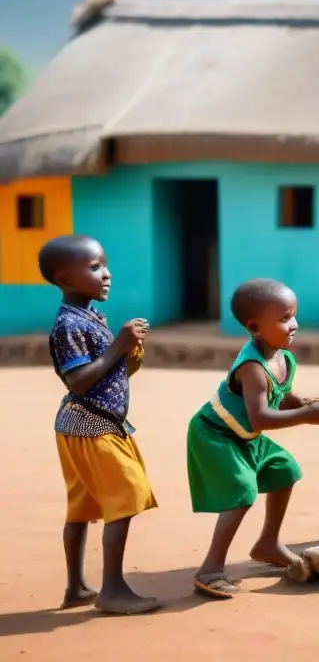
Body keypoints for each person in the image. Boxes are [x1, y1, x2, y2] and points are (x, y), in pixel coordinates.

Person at [186, 279, 319, 599]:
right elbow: (261, 418)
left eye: (294, 314)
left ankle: (268, 543)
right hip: (217, 434)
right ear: (254, 326)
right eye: (284, 318)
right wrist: (305, 416)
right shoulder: (252, 367)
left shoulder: (283, 356)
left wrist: (307, 402)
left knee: (286, 470)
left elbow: (280, 395)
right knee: (242, 491)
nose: (294, 324)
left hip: (244, 434)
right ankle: (210, 569)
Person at [40, 234, 160, 615]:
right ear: (65, 279)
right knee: (127, 493)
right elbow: (77, 380)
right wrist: (117, 347)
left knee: (82, 505)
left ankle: (76, 587)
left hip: (87, 424)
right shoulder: (68, 326)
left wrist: (130, 353)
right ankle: (112, 590)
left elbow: (112, 372)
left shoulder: (90, 317)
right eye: (94, 267)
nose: (107, 274)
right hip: (92, 426)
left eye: (105, 264)